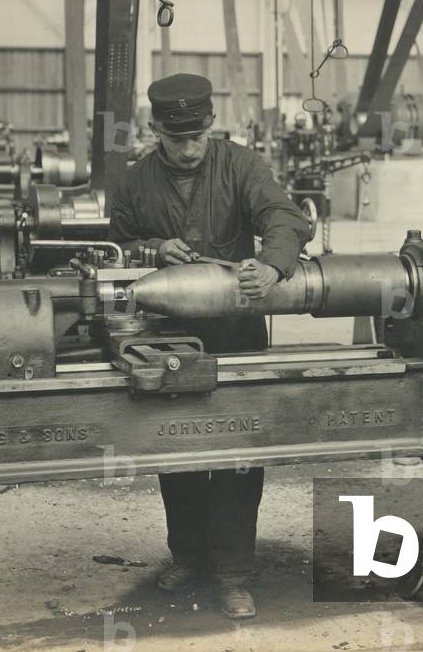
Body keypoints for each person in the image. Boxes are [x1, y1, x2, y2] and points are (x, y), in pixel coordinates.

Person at [108, 73, 310, 619]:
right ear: (156, 131)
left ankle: (234, 574)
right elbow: (115, 246)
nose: (190, 149)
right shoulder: (133, 182)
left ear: (210, 125)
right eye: (177, 141)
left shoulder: (241, 165)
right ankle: (188, 556)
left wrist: (272, 265)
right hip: (167, 339)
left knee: (241, 456)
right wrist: (151, 250)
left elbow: (285, 217)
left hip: (237, 335)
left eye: (197, 137)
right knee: (176, 449)